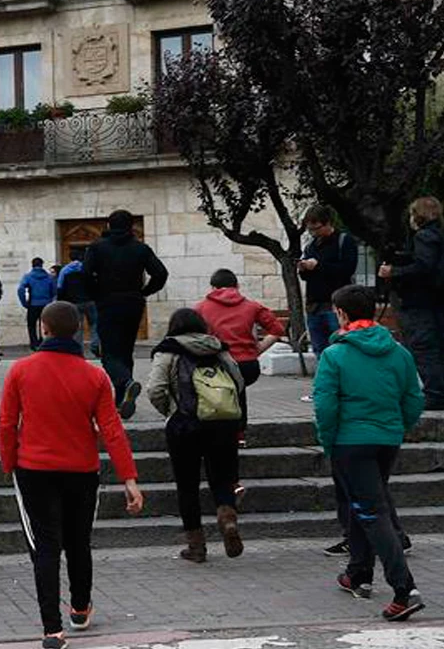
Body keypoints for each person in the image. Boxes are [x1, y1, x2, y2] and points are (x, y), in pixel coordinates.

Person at [0, 301, 144, 649]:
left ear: (44, 329)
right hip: (81, 469)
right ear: (77, 330)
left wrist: (8, 464)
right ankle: (80, 607)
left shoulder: (20, 370)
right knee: (79, 542)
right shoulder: (95, 376)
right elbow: (111, 429)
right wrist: (129, 478)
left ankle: (52, 629)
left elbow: (6, 424)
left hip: (33, 469)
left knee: (44, 547)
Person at [314, 285, 425, 621]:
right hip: (386, 439)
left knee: (373, 511)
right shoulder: (398, 352)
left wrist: (328, 441)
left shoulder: (335, 355)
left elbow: (325, 405)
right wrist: (398, 426)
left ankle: (404, 589)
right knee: (363, 503)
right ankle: (358, 573)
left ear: (342, 314)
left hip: (350, 441)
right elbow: (414, 398)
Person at [147, 308, 246, 563]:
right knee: (222, 478)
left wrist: (171, 411)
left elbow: (155, 388)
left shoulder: (168, 350)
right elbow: (238, 382)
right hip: (223, 422)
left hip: (185, 425)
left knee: (187, 484)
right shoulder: (218, 347)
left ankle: (196, 546)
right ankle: (227, 516)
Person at [82, 210, 169, 420]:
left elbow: (85, 275)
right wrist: (144, 292)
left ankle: (125, 383)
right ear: (131, 227)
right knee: (125, 351)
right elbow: (161, 273)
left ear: (109, 226)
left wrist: (96, 294)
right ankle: (121, 401)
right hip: (133, 303)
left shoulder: (96, 248)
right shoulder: (140, 248)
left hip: (108, 303)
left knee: (108, 353)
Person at [194, 268, 285, 441]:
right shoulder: (252, 306)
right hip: (248, 365)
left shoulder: (200, 308)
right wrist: (257, 349)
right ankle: (239, 434)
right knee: (238, 392)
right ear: (237, 286)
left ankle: (216, 433)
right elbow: (277, 330)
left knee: (216, 394)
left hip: (217, 364)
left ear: (212, 287)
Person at [379, 196, 444, 412]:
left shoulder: (425, 237)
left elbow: (424, 267)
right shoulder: (436, 235)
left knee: (424, 347)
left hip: (420, 302)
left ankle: (435, 394)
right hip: (432, 301)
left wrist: (393, 272)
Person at [298, 205, 358, 400]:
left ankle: (345, 388)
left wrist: (319, 265)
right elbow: (306, 277)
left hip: (335, 304)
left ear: (328, 223)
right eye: (310, 229)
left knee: (339, 347)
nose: (313, 233)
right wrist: (304, 268)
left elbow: (347, 269)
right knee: (319, 349)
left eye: (316, 228)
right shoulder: (311, 246)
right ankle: (325, 388)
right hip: (314, 303)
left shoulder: (344, 241)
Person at [57, 250, 100, 358]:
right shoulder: (87, 268)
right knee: (94, 324)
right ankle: (94, 345)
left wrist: (61, 301)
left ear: (70, 258)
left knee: (77, 327)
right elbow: (95, 284)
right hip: (89, 301)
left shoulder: (65, 270)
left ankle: (78, 351)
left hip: (74, 302)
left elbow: (60, 287)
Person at [17, 258, 55, 350]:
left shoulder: (28, 276)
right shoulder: (49, 277)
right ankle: (47, 342)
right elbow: (54, 291)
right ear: (42, 265)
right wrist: (51, 300)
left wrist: (24, 303)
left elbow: (20, 289)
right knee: (48, 324)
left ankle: (34, 344)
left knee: (31, 325)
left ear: (32, 265)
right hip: (46, 304)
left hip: (33, 304)